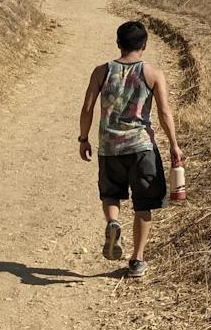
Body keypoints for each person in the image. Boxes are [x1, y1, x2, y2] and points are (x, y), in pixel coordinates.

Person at [78, 20, 182, 278]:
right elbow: (164, 112)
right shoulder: (154, 74)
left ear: (118, 44)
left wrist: (83, 138)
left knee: (110, 194)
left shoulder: (101, 71)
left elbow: (88, 108)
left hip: (109, 147)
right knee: (143, 203)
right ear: (144, 45)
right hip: (141, 147)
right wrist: (174, 145)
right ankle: (137, 260)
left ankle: (113, 222)